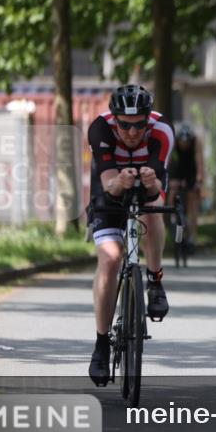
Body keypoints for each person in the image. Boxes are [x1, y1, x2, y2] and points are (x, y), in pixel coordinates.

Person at [86, 84, 175, 386]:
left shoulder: (161, 130)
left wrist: (149, 183)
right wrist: (121, 182)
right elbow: (109, 182)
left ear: (148, 120)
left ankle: (155, 281)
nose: (132, 132)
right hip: (110, 188)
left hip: (148, 185)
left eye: (139, 125)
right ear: (115, 119)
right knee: (111, 258)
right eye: (125, 124)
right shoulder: (100, 128)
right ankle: (100, 344)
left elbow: (157, 193)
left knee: (152, 211)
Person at [166, 123, 204, 253]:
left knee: (192, 199)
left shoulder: (196, 141)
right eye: (182, 142)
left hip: (191, 171)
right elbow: (168, 161)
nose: (185, 145)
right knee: (173, 190)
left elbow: (199, 161)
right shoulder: (174, 142)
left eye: (187, 142)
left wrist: (199, 181)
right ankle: (172, 216)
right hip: (178, 170)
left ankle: (192, 236)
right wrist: (168, 180)